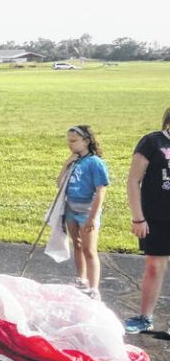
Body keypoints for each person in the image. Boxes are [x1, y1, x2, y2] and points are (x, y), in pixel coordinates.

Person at [123, 107, 170, 334]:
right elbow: (133, 181)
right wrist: (138, 218)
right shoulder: (152, 142)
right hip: (157, 218)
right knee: (155, 266)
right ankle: (145, 317)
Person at [57, 125, 109, 300]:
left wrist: (93, 217)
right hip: (71, 208)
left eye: (74, 141)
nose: (70, 145)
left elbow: (101, 190)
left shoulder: (95, 162)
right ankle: (81, 279)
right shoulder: (75, 161)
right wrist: (66, 164)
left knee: (89, 249)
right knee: (77, 245)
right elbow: (60, 184)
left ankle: (94, 288)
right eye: (68, 141)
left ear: (86, 141)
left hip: (86, 211)